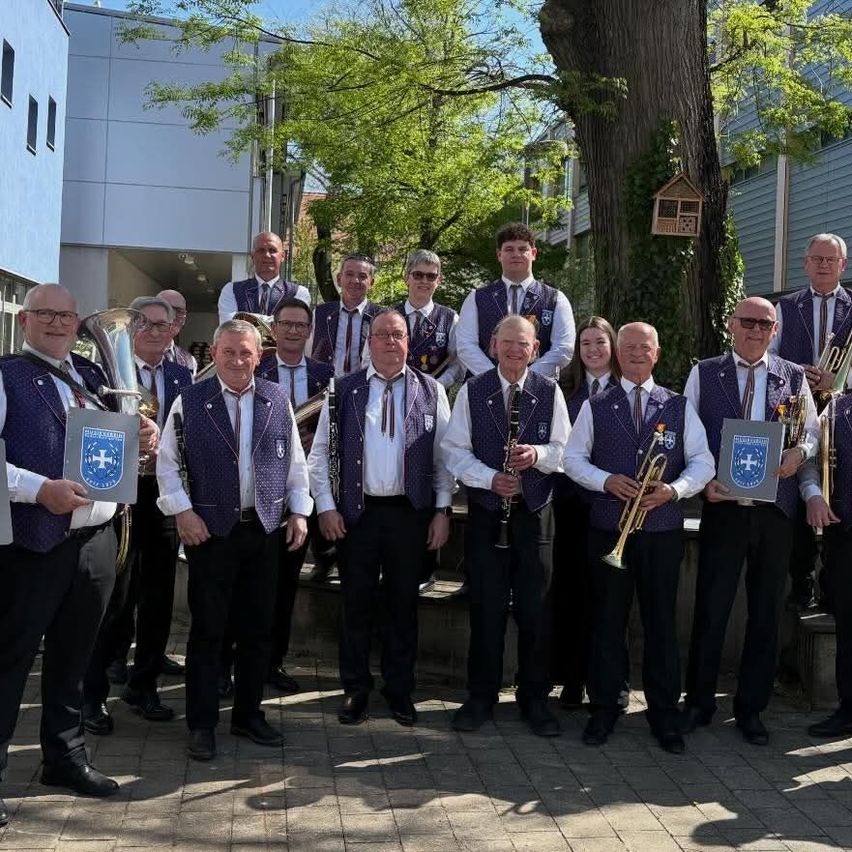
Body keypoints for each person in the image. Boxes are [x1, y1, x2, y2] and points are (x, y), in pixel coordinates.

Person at [0, 284, 158, 819]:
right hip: (33, 544)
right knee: (10, 660)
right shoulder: (6, 375)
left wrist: (142, 437)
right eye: (44, 313)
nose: (57, 323)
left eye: (66, 315)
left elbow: (112, 451)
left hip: (96, 540)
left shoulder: (94, 377)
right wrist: (38, 489)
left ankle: (64, 759)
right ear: (24, 320)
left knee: (74, 658)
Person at [156, 319, 311, 761]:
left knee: (259, 630)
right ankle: (202, 724)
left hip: (264, 530)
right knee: (208, 632)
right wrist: (182, 511)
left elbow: (295, 461)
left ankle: (247, 715)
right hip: (211, 533)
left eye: (246, 352)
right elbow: (167, 463)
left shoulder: (277, 399)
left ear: (259, 356)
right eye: (229, 352)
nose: (238, 360)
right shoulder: (190, 401)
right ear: (215, 354)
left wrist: (300, 511)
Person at [564, 322, 714, 753]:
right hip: (608, 528)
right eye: (627, 346)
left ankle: (663, 713)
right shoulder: (595, 404)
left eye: (643, 347)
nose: (635, 353)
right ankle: (604, 708)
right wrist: (605, 480)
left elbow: (703, 461)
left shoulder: (679, 406)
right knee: (607, 621)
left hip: (661, 531)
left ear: (656, 354)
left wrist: (675, 490)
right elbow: (572, 459)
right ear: (617, 352)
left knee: (660, 623)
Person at [682, 297, 818, 746]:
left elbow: (812, 430)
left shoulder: (792, 375)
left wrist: (801, 452)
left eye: (765, 324)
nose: (756, 330)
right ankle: (698, 702)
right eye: (748, 322)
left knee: (766, 612)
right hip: (723, 506)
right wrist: (703, 483)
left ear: (775, 330)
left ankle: (752, 708)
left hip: (775, 510)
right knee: (712, 606)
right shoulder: (705, 372)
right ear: (730, 324)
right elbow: (688, 434)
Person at [308, 309, 453, 727]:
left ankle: (399, 689)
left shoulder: (432, 391)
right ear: (369, 342)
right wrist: (326, 506)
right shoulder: (343, 389)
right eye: (383, 334)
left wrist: (442, 510)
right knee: (356, 604)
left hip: (410, 514)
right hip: (358, 514)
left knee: (403, 605)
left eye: (398, 334)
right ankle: (355, 688)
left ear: (408, 342)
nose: (391, 341)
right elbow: (320, 454)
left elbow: (443, 459)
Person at [445, 315, 570, 737]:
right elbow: (454, 450)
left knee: (536, 610)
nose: (516, 350)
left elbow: (565, 449)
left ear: (535, 350)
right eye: (508, 342)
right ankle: (481, 697)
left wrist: (537, 455)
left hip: (534, 514)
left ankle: (534, 699)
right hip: (487, 512)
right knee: (486, 608)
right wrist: (488, 478)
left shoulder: (549, 391)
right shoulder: (473, 390)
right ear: (493, 345)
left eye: (524, 344)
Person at [83, 297, 193, 735]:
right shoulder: (102, 375)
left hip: (162, 491)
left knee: (159, 596)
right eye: (143, 323)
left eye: (161, 324)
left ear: (173, 330)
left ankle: (143, 685)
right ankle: (92, 694)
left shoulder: (182, 375)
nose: (153, 330)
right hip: (119, 491)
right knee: (113, 595)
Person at [219, 297, 335, 697]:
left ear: (309, 331)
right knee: (239, 587)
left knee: (284, 585)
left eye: (301, 325)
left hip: (297, 490)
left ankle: (272, 661)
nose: (293, 331)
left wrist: (311, 440)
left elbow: (335, 427)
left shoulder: (325, 375)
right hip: (253, 489)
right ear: (274, 328)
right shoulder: (255, 366)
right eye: (286, 324)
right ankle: (226, 664)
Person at [770, 234, 850, 610]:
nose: (823, 265)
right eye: (817, 258)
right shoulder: (785, 307)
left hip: (843, 413)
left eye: (831, 259)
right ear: (805, 263)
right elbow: (768, 355)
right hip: (795, 411)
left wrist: (839, 379)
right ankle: (801, 582)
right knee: (797, 492)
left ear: (843, 265)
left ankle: (833, 584)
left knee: (839, 493)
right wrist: (795, 371)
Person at [552, 316, 622, 709]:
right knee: (571, 593)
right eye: (585, 344)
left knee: (609, 598)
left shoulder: (626, 390)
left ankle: (610, 681)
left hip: (612, 511)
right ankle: (571, 678)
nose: (593, 350)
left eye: (600, 342)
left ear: (613, 346)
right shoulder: (565, 392)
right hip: (570, 509)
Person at [456, 222, 575, 378]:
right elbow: (465, 346)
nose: (516, 254)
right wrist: (496, 378)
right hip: (484, 385)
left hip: (538, 387)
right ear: (499, 255)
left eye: (522, 249)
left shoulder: (556, 299)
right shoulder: (476, 298)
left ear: (533, 253)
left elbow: (564, 348)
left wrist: (527, 379)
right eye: (509, 249)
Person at [801, 397, 852, 737]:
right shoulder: (834, 410)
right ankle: (848, 709)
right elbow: (810, 459)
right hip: (844, 533)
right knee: (847, 626)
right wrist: (814, 494)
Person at [392, 249, 464, 389]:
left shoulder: (450, 319)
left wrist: (437, 385)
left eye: (431, 276)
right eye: (418, 275)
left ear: (438, 281)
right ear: (407, 277)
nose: (424, 281)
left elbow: (457, 363)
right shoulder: (389, 317)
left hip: (434, 395)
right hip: (393, 393)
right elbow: (373, 357)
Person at [218, 231, 312, 324]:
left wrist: (244, 318)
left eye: (272, 250)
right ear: (253, 256)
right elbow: (229, 324)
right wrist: (278, 321)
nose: (267, 255)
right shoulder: (231, 290)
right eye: (261, 250)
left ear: (283, 256)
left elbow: (295, 324)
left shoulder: (298, 292)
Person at [311, 253, 381, 375]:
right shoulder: (320, 314)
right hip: (325, 383)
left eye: (362, 276)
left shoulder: (380, 317)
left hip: (364, 384)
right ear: (339, 279)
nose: (355, 280)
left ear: (371, 283)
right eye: (349, 274)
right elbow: (307, 354)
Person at [158, 288, 198, 375]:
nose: (173, 317)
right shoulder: (133, 355)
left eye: (180, 312)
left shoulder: (189, 361)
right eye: (167, 309)